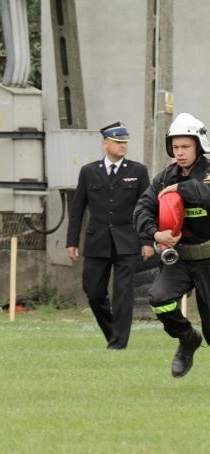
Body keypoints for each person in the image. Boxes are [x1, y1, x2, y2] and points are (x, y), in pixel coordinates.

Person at [133, 112, 210, 378]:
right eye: (175, 147)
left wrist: (180, 190)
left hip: (209, 259)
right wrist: (156, 235)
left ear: (199, 145)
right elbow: (142, 209)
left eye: (185, 146)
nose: (180, 152)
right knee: (159, 299)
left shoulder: (208, 173)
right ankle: (187, 338)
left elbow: (206, 194)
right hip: (180, 259)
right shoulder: (165, 176)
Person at [66, 121, 153, 350]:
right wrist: (72, 241)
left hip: (127, 241)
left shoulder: (138, 171)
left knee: (123, 295)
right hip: (97, 241)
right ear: (105, 143)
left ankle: (118, 344)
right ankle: (113, 333)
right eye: (118, 142)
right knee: (93, 293)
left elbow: (146, 208)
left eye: (125, 143)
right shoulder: (88, 171)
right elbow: (77, 210)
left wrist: (146, 241)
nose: (123, 146)